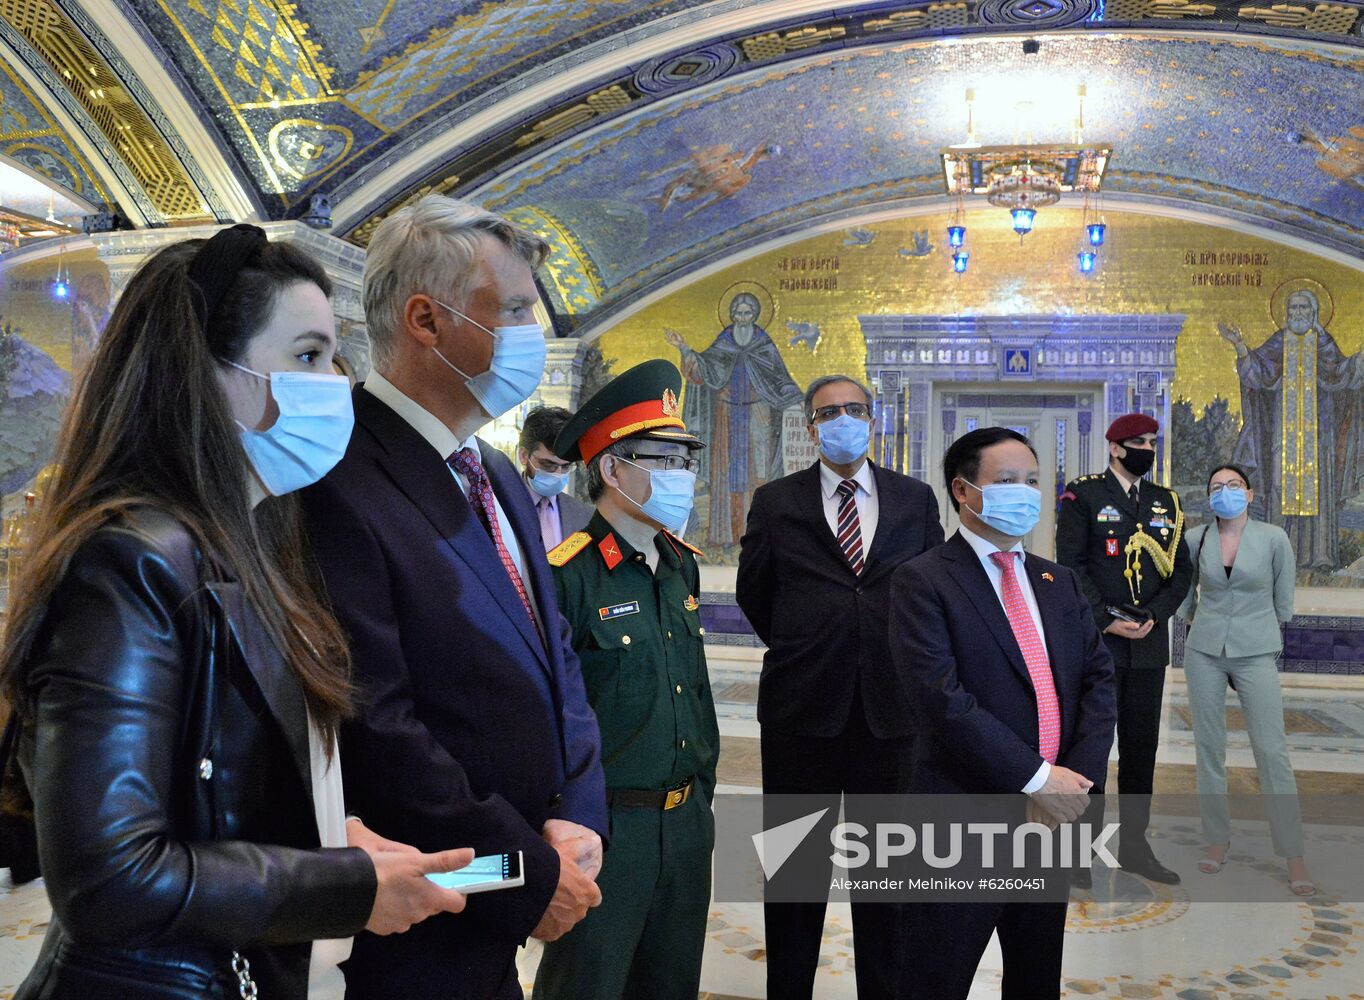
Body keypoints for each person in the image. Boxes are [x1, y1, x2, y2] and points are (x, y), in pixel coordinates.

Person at [0, 226, 473, 1000]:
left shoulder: (244, 545)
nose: (335, 385)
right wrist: (341, 887)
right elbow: (109, 879)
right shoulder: (130, 562)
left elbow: (213, 791)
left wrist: (324, 836)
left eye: (334, 359)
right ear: (207, 372)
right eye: (308, 356)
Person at [298, 196, 608, 1000]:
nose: (532, 333)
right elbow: (379, 727)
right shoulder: (338, 477)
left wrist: (578, 809)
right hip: (421, 914)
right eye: (513, 310)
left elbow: (555, 656)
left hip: (510, 888)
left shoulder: (493, 470)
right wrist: (527, 873)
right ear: (426, 321)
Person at [736, 374, 943, 1000]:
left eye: (854, 409)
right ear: (810, 427)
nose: (843, 420)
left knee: (888, 880)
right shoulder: (776, 501)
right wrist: (808, 643)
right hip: (801, 712)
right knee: (796, 877)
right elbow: (755, 593)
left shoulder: (914, 499)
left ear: (873, 419)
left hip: (893, 713)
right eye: (829, 412)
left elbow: (931, 592)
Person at [891, 427, 1116, 1000]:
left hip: (1051, 821)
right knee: (936, 978)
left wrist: (1073, 784)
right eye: (1008, 480)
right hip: (964, 821)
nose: (1026, 493)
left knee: (1036, 977)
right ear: (963, 491)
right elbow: (942, 701)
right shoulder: (923, 581)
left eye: (1033, 481)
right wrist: (1036, 779)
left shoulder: (1058, 581)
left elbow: (1097, 680)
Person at [532, 359, 719, 1000]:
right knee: (587, 985)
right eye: (663, 460)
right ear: (612, 470)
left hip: (685, 822)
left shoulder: (679, 564)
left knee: (671, 985)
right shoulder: (567, 575)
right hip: (609, 829)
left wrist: (700, 801)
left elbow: (693, 691)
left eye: (686, 460)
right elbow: (549, 716)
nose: (682, 475)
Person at [1055, 412, 1192, 885]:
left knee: (1141, 750)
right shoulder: (1084, 495)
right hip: (1098, 646)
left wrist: (1154, 615)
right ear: (1115, 447)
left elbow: (1181, 571)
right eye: (1139, 442)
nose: (1148, 450)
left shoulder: (1165, 502)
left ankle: (1134, 846)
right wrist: (1108, 621)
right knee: (1090, 748)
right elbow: (1071, 567)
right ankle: (1078, 852)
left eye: (1153, 442)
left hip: (1148, 647)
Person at [1177, 464, 1314, 895]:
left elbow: (1283, 600)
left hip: (1256, 649)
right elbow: (1186, 595)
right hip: (1205, 650)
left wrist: (1262, 631)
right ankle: (1217, 839)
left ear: (1250, 494)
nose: (1226, 492)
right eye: (1217, 486)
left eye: (1234, 485)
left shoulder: (1273, 538)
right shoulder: (1196, 539)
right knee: (1209, 747)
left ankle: (1293, 853)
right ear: (1209, 497)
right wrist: (1196, 622)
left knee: (1271, 750)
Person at [1219, 289, 1364, 571]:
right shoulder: (1278, 343)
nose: (1298, 313)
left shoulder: (1324, 344)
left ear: (1314, 313)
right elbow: (1256, 374)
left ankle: (1321, 555)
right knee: (1279, 487)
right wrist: (1240, 346)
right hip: (1281, 437)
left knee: (1319, 490)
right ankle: (1276, 555)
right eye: (1293, 308)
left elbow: (1343, 374)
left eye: (1303, 308)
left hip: (1319, 438)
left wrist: (1359, 362)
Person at [664, 291, 804, 549]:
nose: (742, 318)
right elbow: (702, 370)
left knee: (758, 472)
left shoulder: (763, 344)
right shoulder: (724, 342)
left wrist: (797, 399)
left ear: (755, 315)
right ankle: (725, 536)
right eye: (738, 313)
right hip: (726, 416)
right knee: (726, 472)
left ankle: (762, 533)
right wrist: (683, 347)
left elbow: (779, 378)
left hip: (758, 415)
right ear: (731, 315)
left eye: (747, 313)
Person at [518, 404, 592, 551]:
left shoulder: (584, 515)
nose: (558, 474)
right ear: (524, 456)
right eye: (548, 465)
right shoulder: (497, 505)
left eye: (566, 467)